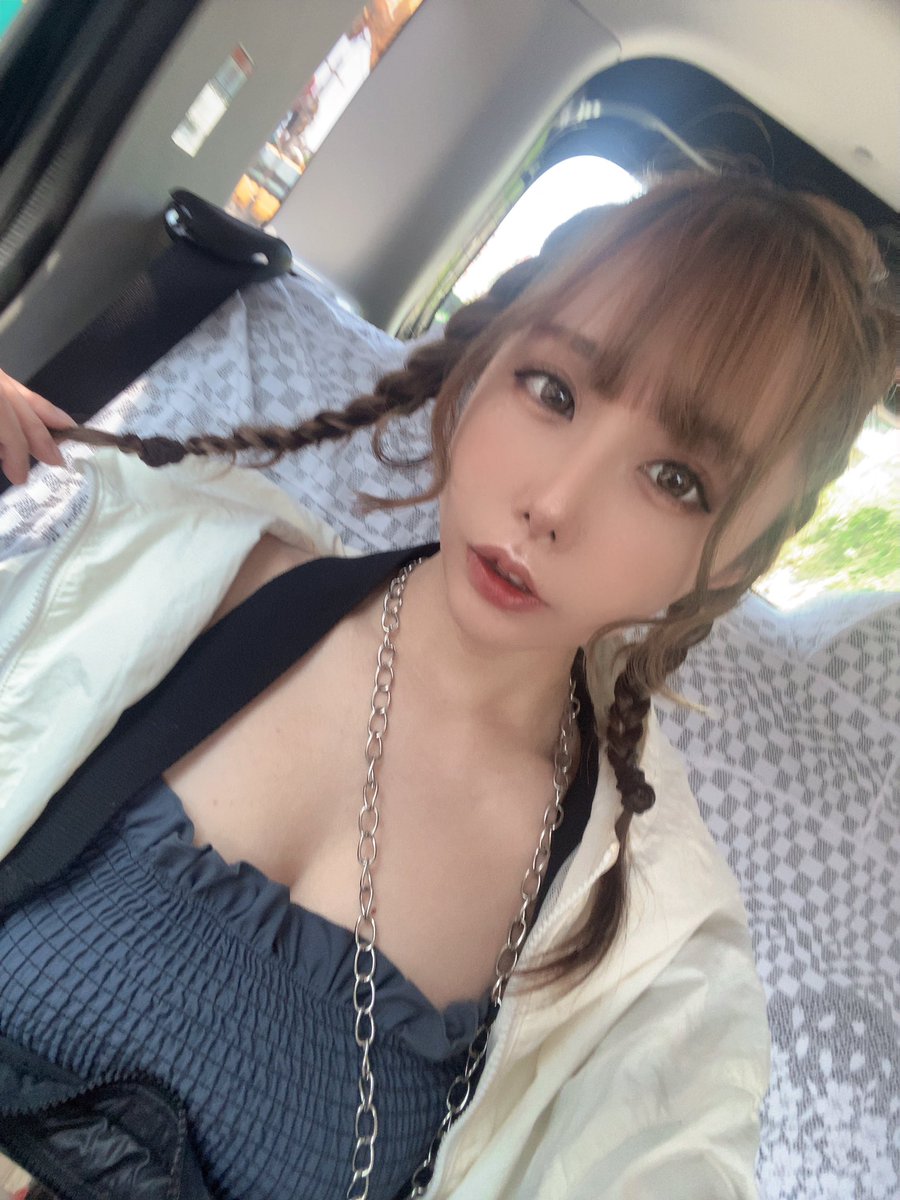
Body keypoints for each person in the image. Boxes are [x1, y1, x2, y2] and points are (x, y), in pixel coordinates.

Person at [0, 170, 893, 1200]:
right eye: (553, 391)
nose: (553, 503)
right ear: (486, 366)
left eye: (675, 480)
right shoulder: (146, 566)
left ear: (736, 564)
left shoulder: (655, 964)